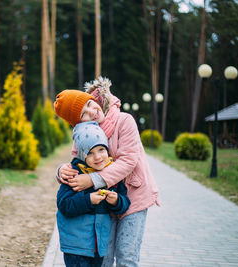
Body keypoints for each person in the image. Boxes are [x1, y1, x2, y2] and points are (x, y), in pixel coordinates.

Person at [54, 77, 160, 267]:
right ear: (78, 123)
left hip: (134, 196)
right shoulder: (82, 134)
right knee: (104, 259)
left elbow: (128, 160)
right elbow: (77, 164)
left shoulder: (124, 120)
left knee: (127, 257)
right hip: (104, 204)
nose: (92, 112)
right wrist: (61, 171)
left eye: (89, 104)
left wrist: (92, 180)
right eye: (84, 114)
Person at [57, 121, 131, 267]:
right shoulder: (74, 173)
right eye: (90, 153)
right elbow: (64, 205)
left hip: (99, 247)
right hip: (76, 246)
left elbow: (125, 203)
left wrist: (116, 201)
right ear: (82, 155)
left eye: (101, 150)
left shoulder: (111, 174)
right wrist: (88, 199)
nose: (97, 157)